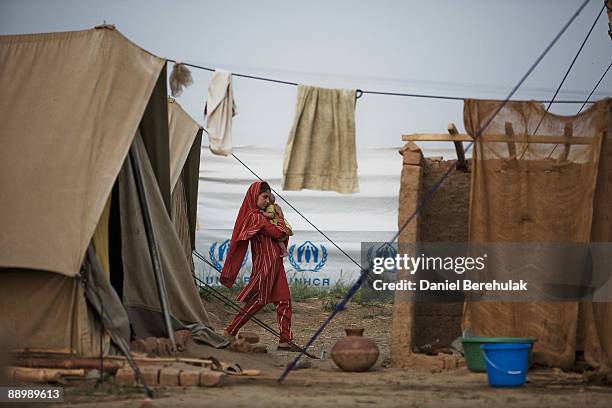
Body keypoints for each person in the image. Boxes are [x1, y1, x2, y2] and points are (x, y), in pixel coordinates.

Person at [220, 181, 297, 351]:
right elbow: (279, 233)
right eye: (264, 197)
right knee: (259, 301)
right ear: (255, 196)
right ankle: (230, 331)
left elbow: (280, 235)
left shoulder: (262, 215)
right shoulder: (255, 217)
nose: (267, 201)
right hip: (266, 264)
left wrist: (276, 217)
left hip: (276, 262)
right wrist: (280, 216)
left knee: (284, 300)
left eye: (269, 198)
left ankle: (285, 340)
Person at [261, 192, 293, 257]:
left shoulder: (270, 207)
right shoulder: (273, 206)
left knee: (279, 240)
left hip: (277, 225)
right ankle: (284, 251)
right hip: (280, 225)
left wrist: (263, 213)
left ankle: (285, 251)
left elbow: (272, 215)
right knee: (279, 241)